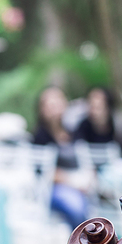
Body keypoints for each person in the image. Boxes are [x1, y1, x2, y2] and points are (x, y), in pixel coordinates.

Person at [31, 85, 90, 228]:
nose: (54, 107)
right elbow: (43, 173)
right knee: (76, 209)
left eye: (58, 102)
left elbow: (85, 160)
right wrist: (73, 181)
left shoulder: (74, 132)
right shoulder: (40, 137)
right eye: (49, 104)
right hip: (53, 189)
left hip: (81, 185)